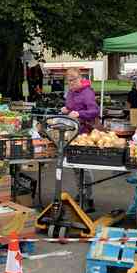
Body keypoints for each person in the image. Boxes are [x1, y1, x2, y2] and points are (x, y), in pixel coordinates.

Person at [62, 68, 99, 211]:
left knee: (85, 167)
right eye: (68, 81)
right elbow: (70, 106)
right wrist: (66, 109)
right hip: (73, 133)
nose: (70, 83)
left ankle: (89, 198)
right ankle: (80, 193)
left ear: (80, 78)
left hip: (86, 134)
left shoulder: (87, 92)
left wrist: (79, 113)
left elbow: (94, 111)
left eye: (73, 80)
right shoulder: (71, 92)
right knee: (75, 167)